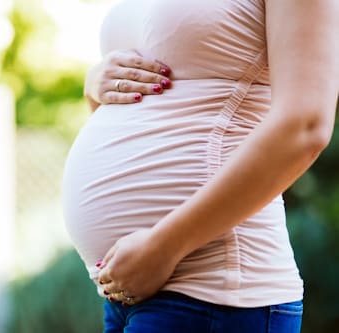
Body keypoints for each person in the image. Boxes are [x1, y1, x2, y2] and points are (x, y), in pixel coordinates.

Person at [62, 0, 338, 332]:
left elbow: (304, 126)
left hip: (214, 290)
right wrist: (95, 85)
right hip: (132, 290)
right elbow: (153, 108)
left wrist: (165, 247)